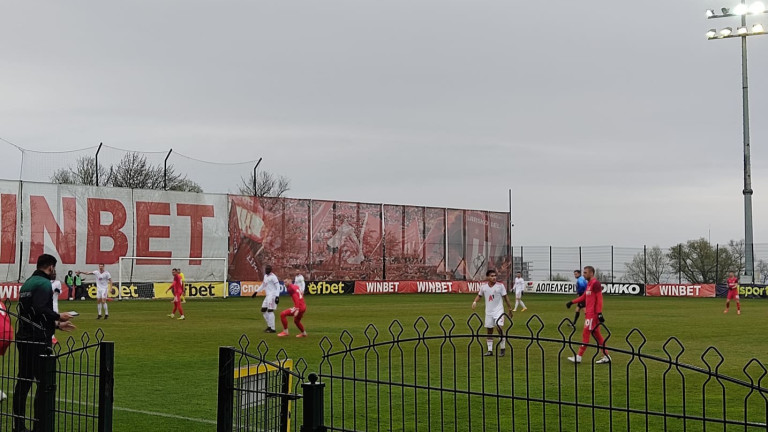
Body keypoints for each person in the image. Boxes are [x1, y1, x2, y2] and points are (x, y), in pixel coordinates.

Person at [14, 254, 76, 432]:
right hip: (38, 339)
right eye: (53, 268)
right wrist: (58, 316)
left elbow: (32, 314)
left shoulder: (27, 284)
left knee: (23, 381)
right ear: (50, 267)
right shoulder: (43, 284)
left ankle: (18, 425)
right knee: (43, 383)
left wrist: (56, 325)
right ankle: (39, 425)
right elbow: (41, 308)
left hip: (24, 336)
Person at [565, 266, 610, 364]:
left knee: (585, 334)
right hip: (589, 314)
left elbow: (599, 299)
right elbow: (584, 297)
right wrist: (571, 302)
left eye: (585, 272)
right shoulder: (589, 284)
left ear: (591, 273)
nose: (584, 274)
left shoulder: (595, 283)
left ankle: (579, 356)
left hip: (592, 315)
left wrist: (599, 313)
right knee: (597, 335)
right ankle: (606, 356)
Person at [471, 269, 514, 357]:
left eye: (495, 276)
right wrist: (475, 302)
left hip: (499, 311)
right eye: (492, 276)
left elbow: (506, 297)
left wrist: (510, 309)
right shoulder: (484, 287)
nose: (494, 277)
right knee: (489, 331)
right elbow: (479, 295)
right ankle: (490, 350)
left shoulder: (500, 286)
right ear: (487, 277)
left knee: (499, 328)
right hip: (489, 312)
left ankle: (502, 348)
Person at [254, 265, 280, 333]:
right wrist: (256, 291)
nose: (267, 270)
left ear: (271, 270)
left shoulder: (273, 277)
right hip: (267, 295)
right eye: (266, 269)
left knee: (270, 311)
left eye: (268, 269)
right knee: (263, 310)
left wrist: (277, 296)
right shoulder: (265, 276)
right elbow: (263, 285)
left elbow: (278, 286)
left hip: (272, 295)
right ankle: (269, 326)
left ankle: (273, 328)